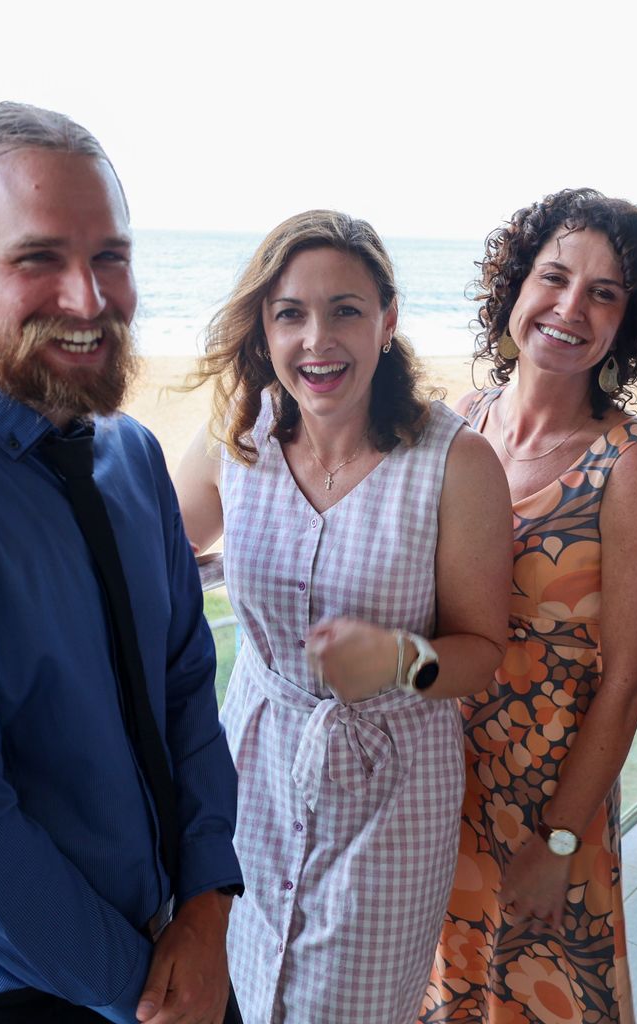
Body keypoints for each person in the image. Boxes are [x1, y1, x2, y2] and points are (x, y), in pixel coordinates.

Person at [0, 102, 242, 1024]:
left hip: (178, 941)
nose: (88, 300)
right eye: (38, 258)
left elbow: (185, 682)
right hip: (6, 990)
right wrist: (147, 994)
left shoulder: (131, 456)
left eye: (110, 257)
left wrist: (208, 901)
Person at [173, 209, 512, 1024]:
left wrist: (398, 660)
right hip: (253, 773)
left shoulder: (456, 461)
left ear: (387, 321)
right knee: (239, 987)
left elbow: (481, 650)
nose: (316, 340)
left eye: (345, 311)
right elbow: (161, 554)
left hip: (391, 797)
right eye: (290, 313)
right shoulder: (237, 436)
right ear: (264, 327)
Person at [419, 188, 637, 1024]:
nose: (571, 308)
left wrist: (559, 842)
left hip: (549, 805)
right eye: (555, 278)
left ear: (624, 324)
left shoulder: (630, 464)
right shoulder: (461, 423)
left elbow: (631, 680)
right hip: (438, 790)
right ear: (516, 287)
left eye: (603, 293)